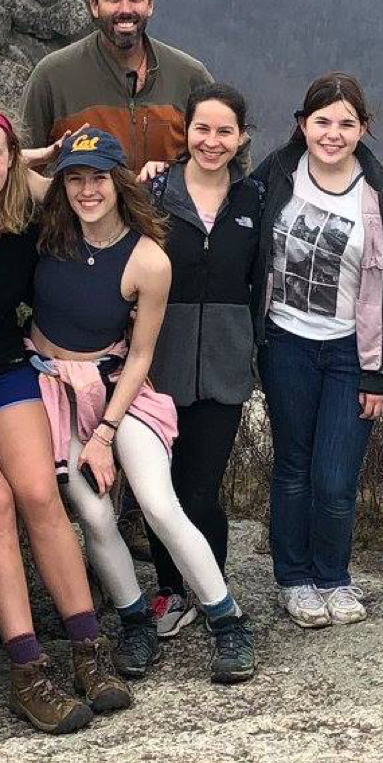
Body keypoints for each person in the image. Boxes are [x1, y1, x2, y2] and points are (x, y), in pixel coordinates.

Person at [0, 102, 128, 732]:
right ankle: (26, 671)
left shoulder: (30, 217)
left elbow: (103, 201)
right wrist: (13, 159)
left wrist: (35, 163)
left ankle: (87, 651)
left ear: (11, 160)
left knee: (42, 495)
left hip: (8, 370)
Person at [30, 128, 254, 684]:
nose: (86, 191)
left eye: (98, 178)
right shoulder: (45, 231)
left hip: (118, 388)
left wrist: (106, 434)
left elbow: (142, 356)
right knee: (95, 514)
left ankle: (227, 620)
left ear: (119, 182)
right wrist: (39, 152)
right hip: (53, 388)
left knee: (158, 502)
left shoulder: (148, 258)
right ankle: (135, 621)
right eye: (75, 179)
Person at [251, 73, 383, 629]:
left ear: (363, 128)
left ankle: (333, 575)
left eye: (346, 123)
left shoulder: (381, 194)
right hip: (286, 340)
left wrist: (378, 373)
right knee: (292, 464)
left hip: (347, 351)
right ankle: (293, 579)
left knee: (335, 477)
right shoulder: (278, 174)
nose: (333, 134)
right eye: (322, 121)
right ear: (303, 125)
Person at [144, 85, 263, 636]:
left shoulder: (256, 199)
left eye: (224, 131)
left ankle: (210, 585)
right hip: (158, 362)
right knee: (159, 488)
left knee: (200, 490)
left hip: (225, 362)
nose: (212, 142)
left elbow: (263, 283)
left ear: (241, 138)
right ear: (186, 131)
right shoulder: (154, 194)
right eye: (202, 129)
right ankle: (171, 591)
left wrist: (256, 355)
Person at [19, 0, 212, 173]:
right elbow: (23, 167)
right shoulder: (53, 76)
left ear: (150, 4)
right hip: (83, 206)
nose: (125, 9)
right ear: (94, 6)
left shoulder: (188, 76)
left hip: (168, 209)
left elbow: (230, 150)